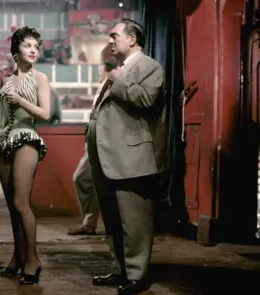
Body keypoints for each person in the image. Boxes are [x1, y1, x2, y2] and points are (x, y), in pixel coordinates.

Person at [87, 19, 166, 295]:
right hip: (107, 156)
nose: (110, 40)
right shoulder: (115, 69)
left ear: (132, 39)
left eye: (115, 35)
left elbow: (146, 99)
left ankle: (138, 274)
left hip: (132, 157)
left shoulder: (150, 67)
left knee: (135, 221)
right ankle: (119, 269)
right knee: (112, 217)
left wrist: (119, 81)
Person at [0, 26, 51, 285]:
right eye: (27, 46)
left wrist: (20, 101)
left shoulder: (40, 78)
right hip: (4, 140)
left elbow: (45, 114)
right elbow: (3, 111)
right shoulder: (7, 81)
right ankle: (18, 256)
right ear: (15, 52)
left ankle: (33, 260)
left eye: (36, 47)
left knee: (22, 203)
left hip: (27, 139)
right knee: (12, 207)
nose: (33, 50)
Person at [67, 57, 119, 236]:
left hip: (101, 141)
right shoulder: (102, 87)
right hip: (94, 139)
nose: (97, 72)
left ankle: (92, 222)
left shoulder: (112, 86)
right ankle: (90, 222)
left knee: (82, 178)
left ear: (108, 71)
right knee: (92, 180)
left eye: (100, 70)